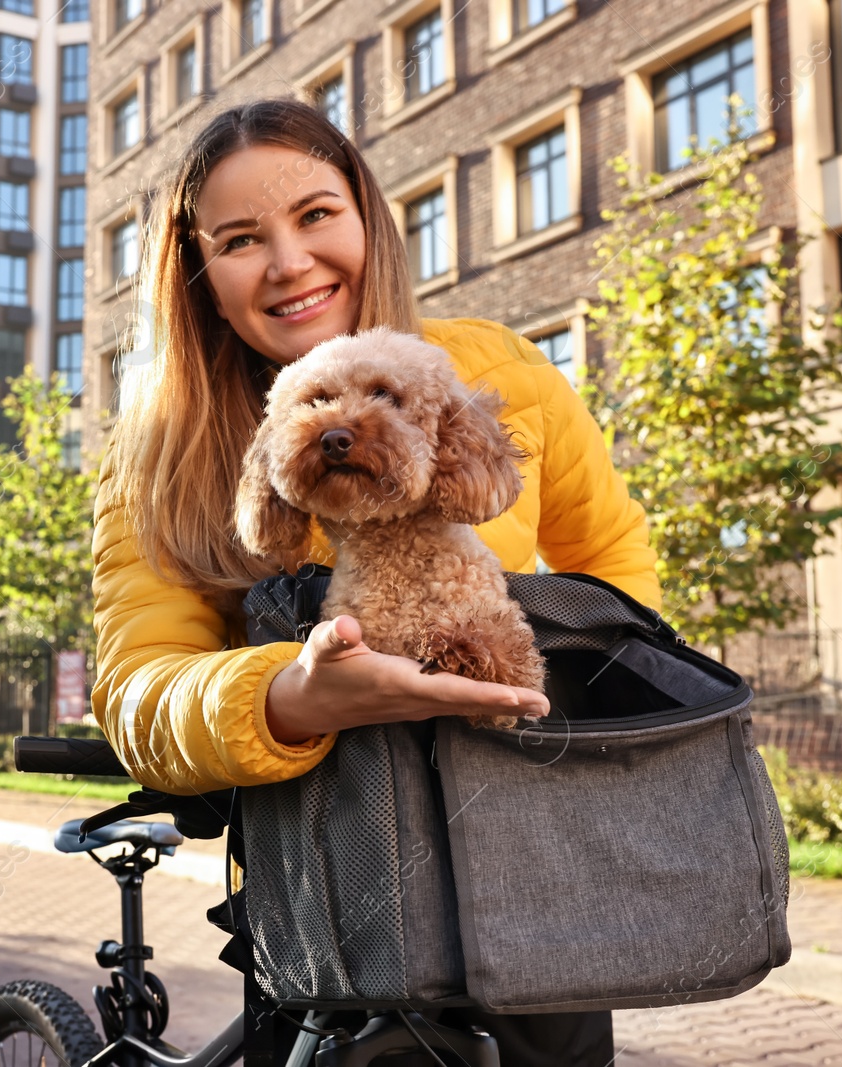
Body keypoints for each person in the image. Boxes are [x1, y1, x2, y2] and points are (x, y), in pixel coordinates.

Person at [91, 97, 660, 1064]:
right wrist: (287, 697)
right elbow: (138, 687)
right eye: (240, 239)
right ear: (202, 277)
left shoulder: (505, 375)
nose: (288, 262)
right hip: (320, 886)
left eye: (315, 214)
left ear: (366, 214)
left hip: (527, 866)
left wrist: (568, 696)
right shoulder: (157, 459)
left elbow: (616, 574)